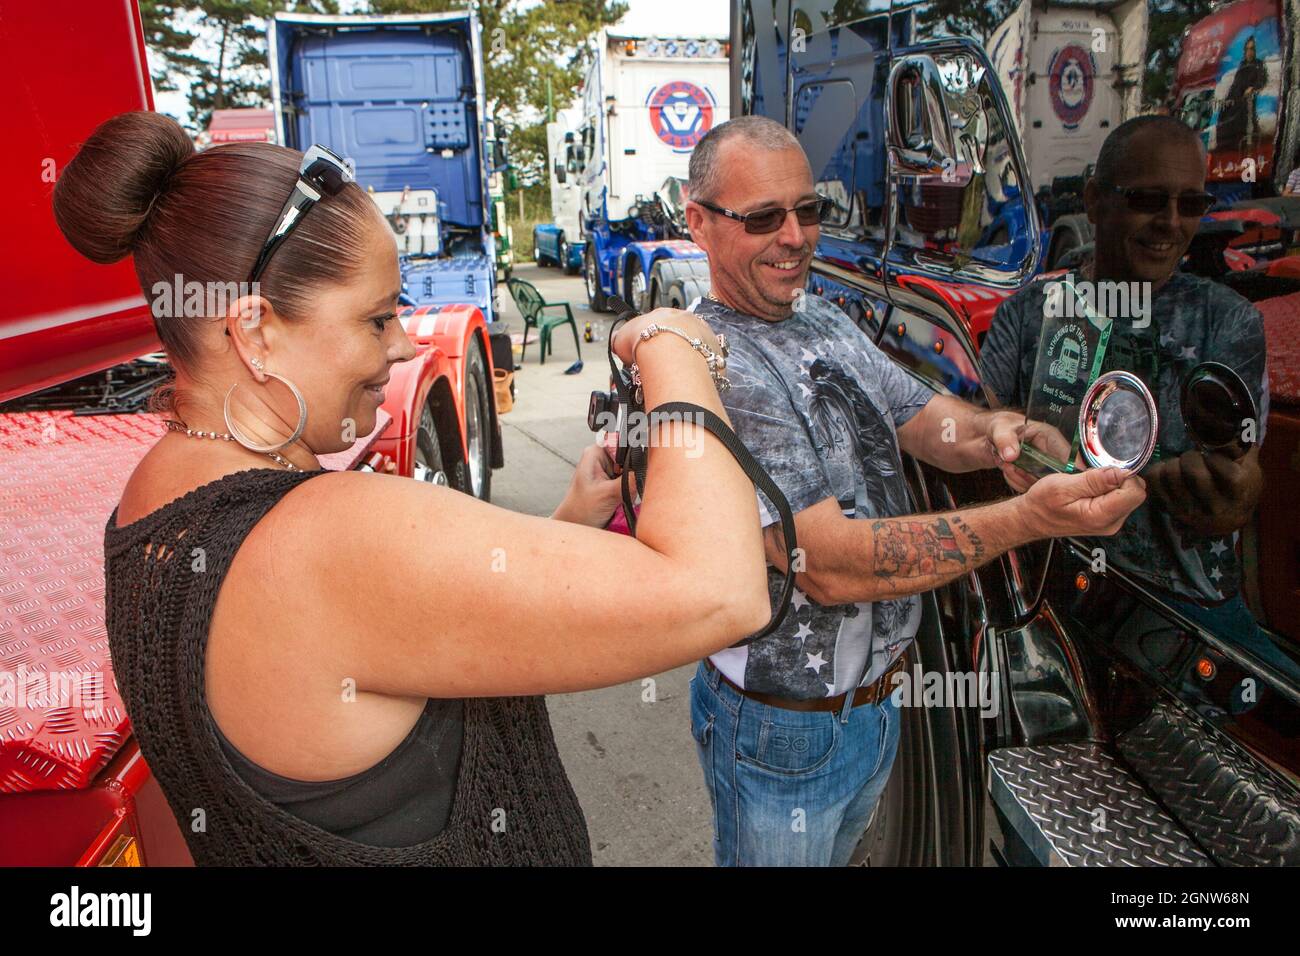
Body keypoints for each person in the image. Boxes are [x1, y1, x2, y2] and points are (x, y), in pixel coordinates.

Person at [57, 111, 774, 866]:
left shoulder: (148, 504)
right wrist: (675, 344)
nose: (401, 345)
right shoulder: (324, 539)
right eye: (374, 319)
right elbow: (723, 591)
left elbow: (384, 642)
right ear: (255, 331)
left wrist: (566, 525)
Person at [679, 115, 1147, 867]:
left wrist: (1003, 437)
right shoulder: (718, 364)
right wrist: (1026, 517)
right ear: (698, 221)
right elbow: (826, 563)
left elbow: (926, 421)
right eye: (763, 217)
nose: (795, 237)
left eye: (809, 210)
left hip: (874, 706)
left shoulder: (820, 319)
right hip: (785, 731)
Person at [980, 115, 1269, 621]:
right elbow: (978, 453)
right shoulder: (1027, 314)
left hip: (1185, 613)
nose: (1171, 222)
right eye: (1147, 200)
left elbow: (1241, 472)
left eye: (1191, 204)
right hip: (1045, 595)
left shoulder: (1228, 321)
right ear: (1094, 201)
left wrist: (1239, 492)